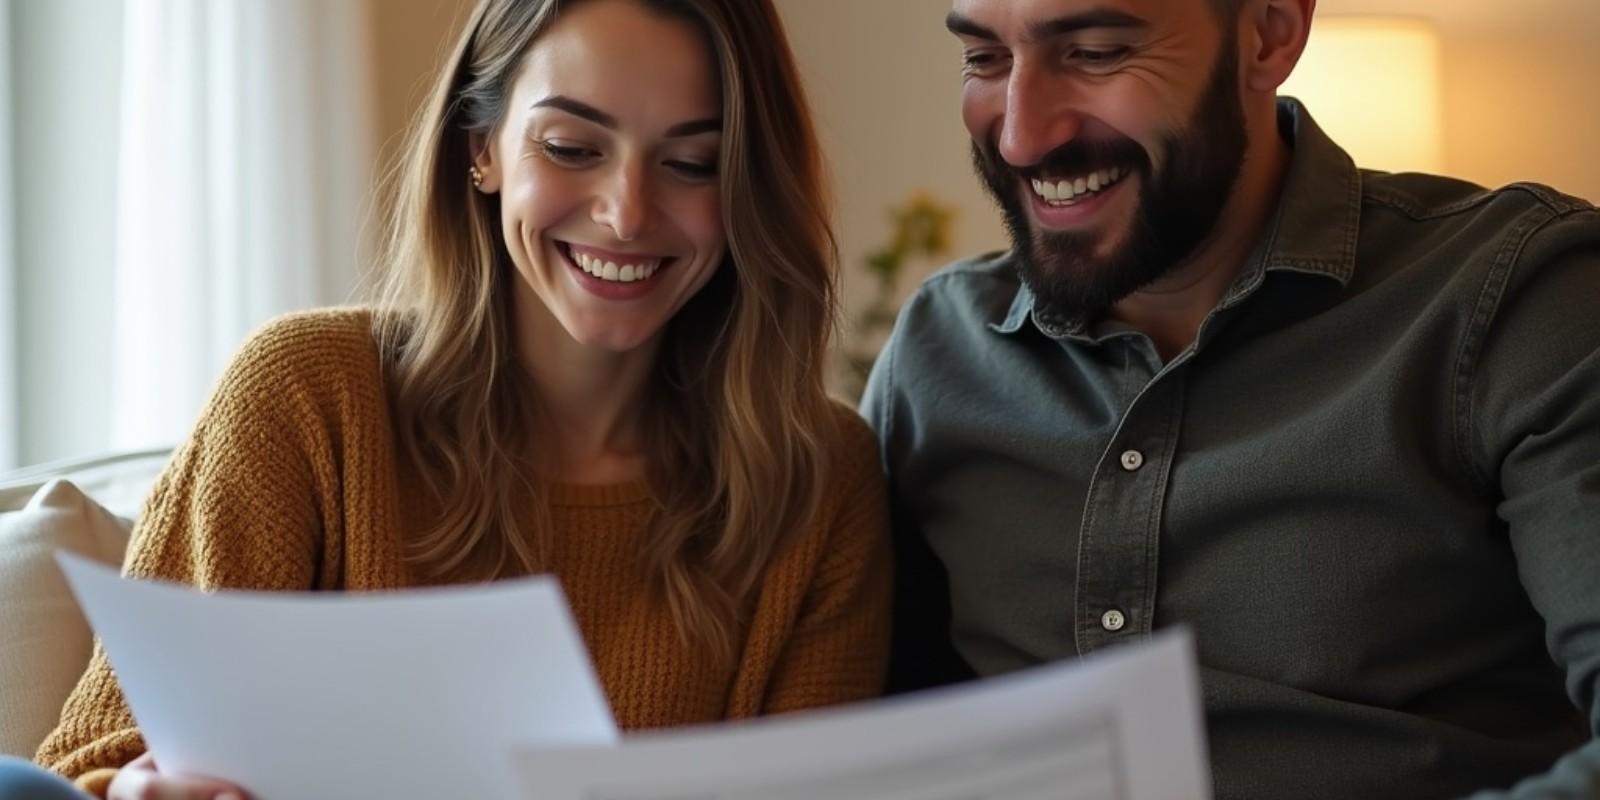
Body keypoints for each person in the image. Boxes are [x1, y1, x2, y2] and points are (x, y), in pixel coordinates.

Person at [12, 0, 890, 797]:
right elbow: (84, 767)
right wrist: (132, 792)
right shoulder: (308, 396)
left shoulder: (815, 482)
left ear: (745, 184)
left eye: (693, 163)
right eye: (572, 148)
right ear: (482, 149)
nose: (627, 213)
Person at [862, 0, 1600, 797]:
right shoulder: (937, 352)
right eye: (984, 61)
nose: (1020, 136)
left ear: (1269, 33)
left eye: (1098, 52)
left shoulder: (1520, 297)